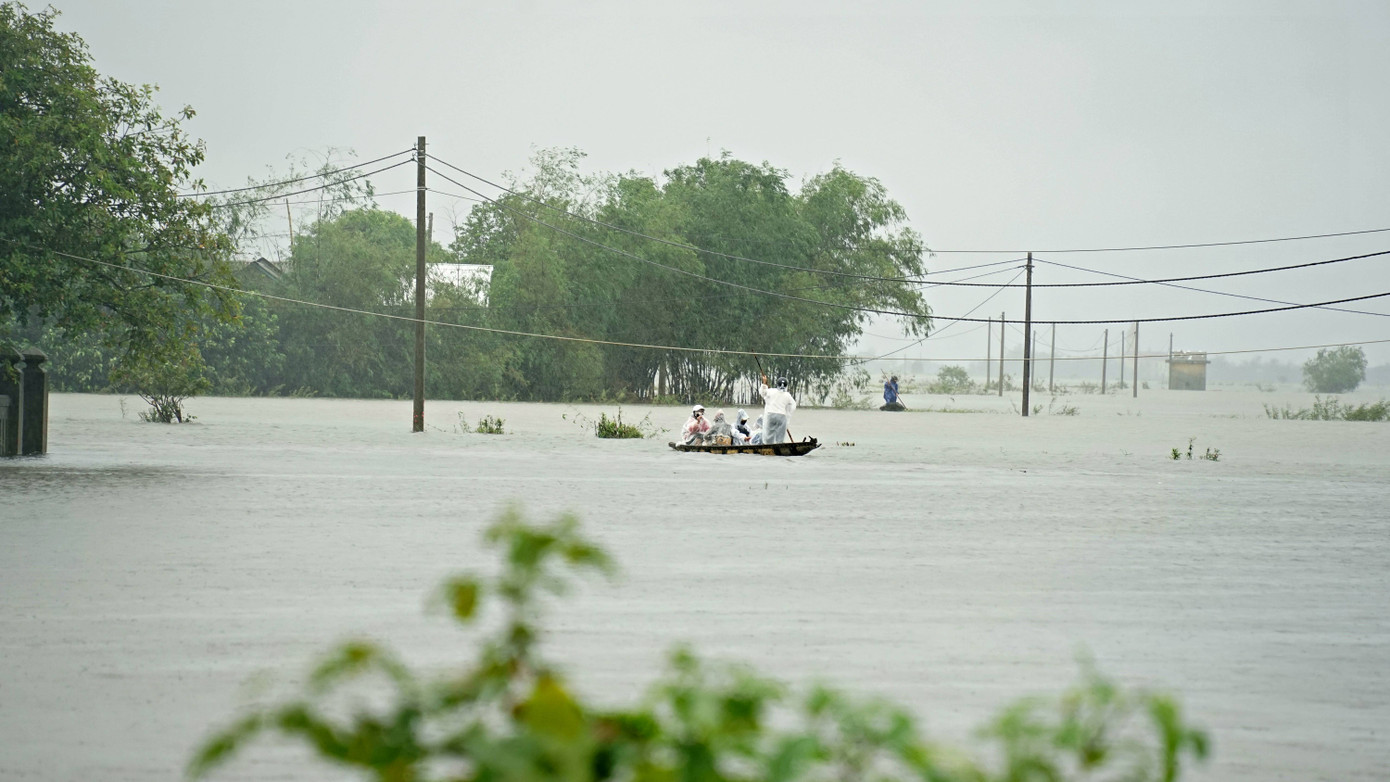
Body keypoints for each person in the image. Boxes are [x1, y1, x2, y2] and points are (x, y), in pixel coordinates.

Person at [758, 374, 797, 445]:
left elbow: (763, 392)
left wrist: (764, 383)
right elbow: (793, 405)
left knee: (769, 435)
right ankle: (780, 446)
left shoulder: (771, 391)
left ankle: (768, 446)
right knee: (780, 436)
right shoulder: (787, 395)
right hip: (782, 416)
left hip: (770, 415)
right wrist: (787, 413)